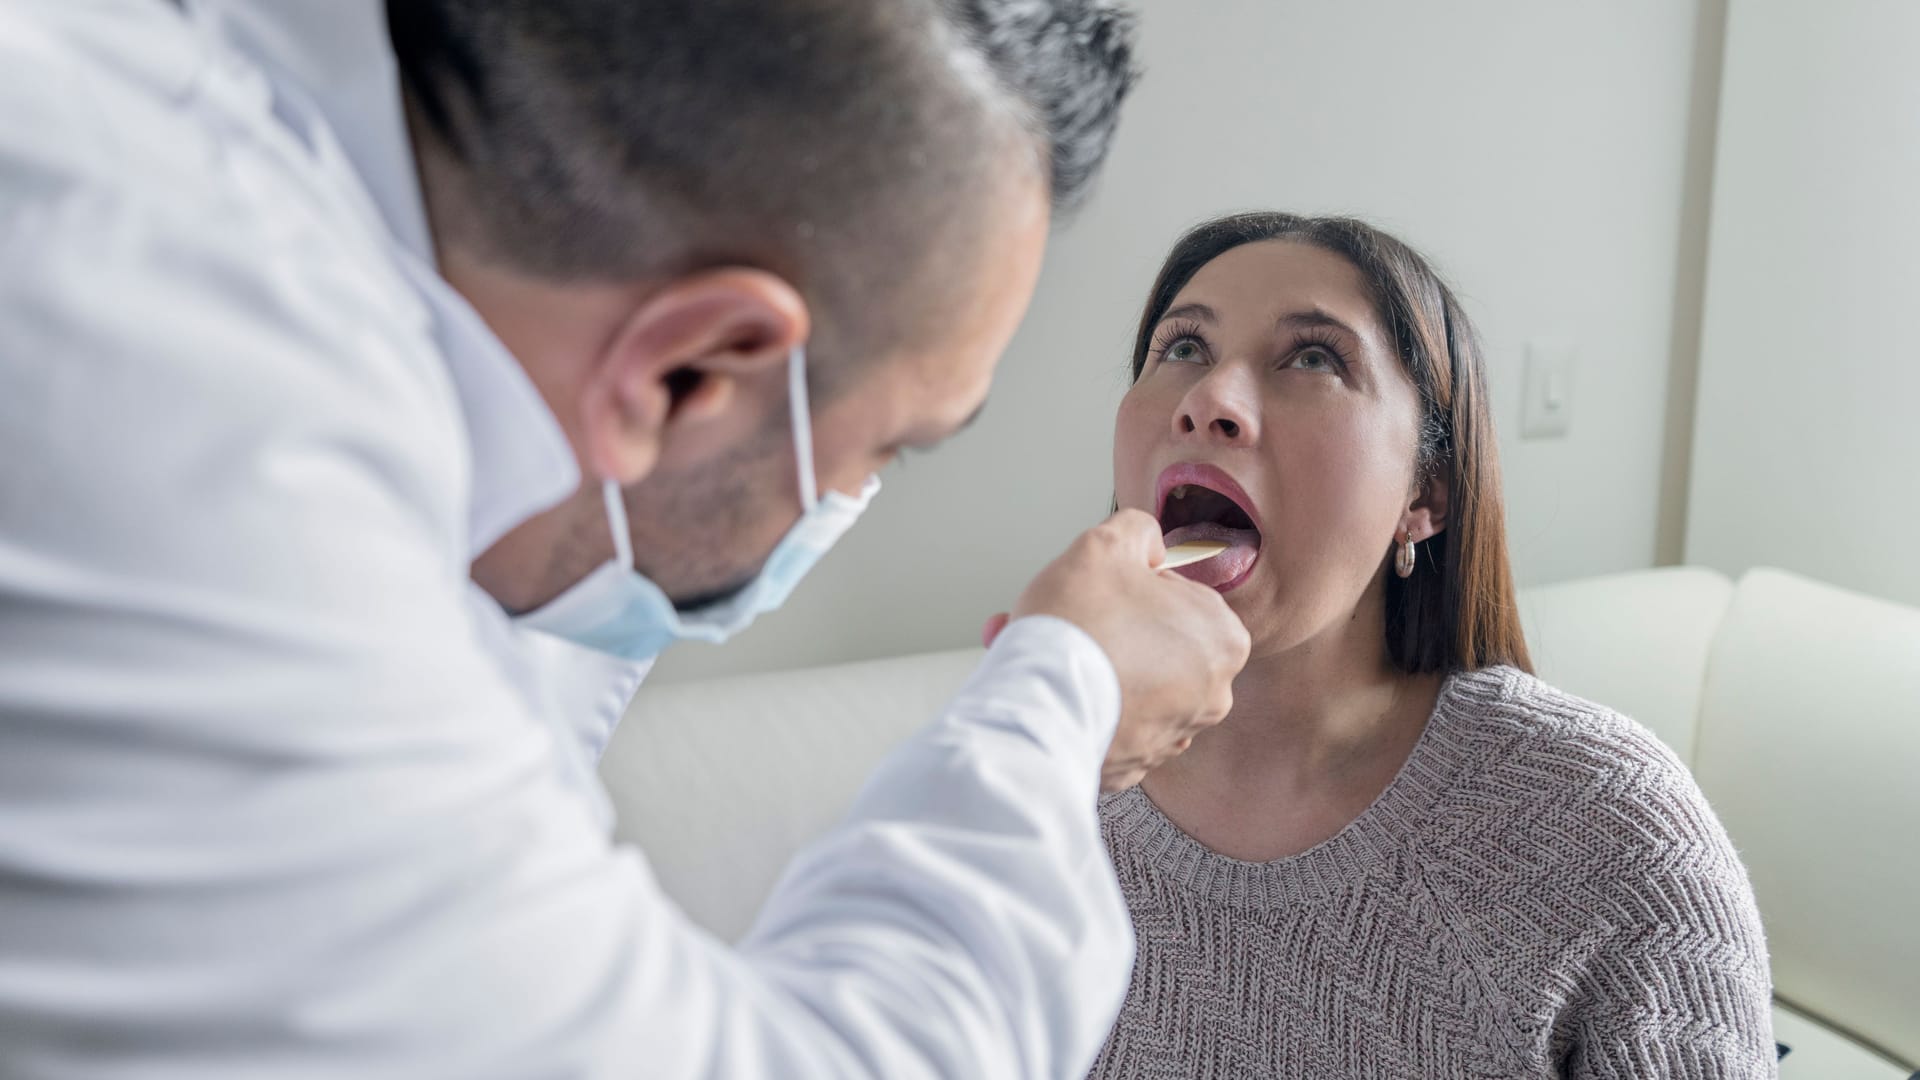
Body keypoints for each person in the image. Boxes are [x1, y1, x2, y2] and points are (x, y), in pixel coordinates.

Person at [0, 1, 1252, 1076]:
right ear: (691, 374)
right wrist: (1059, 700)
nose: (1214, 402)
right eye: (892, 446)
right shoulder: (207, 456)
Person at [1082, 212, 1776, 1078]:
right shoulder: (1028, 785)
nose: (1209, 399)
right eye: (1182, 347)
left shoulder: (1614, 837)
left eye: (1314, 359)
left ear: (1427, 497)